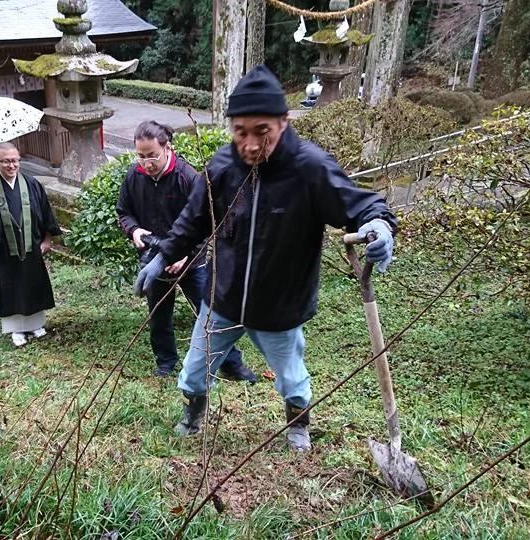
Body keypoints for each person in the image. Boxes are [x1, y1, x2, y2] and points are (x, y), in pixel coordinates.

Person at [134, 66, 397, 451]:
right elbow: (191, 223)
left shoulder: (309, 168)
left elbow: (361, 204)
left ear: (284, 122)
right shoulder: (222, 168)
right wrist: (161, 258)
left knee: (292, 380)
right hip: (222, 299)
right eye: (241, 131)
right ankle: (192, 418)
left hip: (279, 308)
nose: (252, 144)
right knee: (192, 373)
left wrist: (379, 225)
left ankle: (297, 428)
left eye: (263, 131)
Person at [117, 121, 257, 382]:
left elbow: (208, 223)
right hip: (154, 260)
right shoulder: (133, 176)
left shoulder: (188, 177)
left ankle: (231, 364)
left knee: (212, 315)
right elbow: (123, 212)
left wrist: (184, 255)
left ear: (167, 148)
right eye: (141, 156)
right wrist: (134, 230)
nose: (146, 163)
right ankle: (166, 363)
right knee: (158, 315)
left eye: (152, 156)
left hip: (192, 262)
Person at [0, 142, 62, 347]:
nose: (12, 166)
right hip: (6, 250)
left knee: (34, 284)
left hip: (32, 246)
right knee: (11, 287)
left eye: (15, 161)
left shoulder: (31, 183)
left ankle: (36, 324)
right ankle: (16, 329)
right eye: (6, 162)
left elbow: (46, 213)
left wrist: (47, 240)